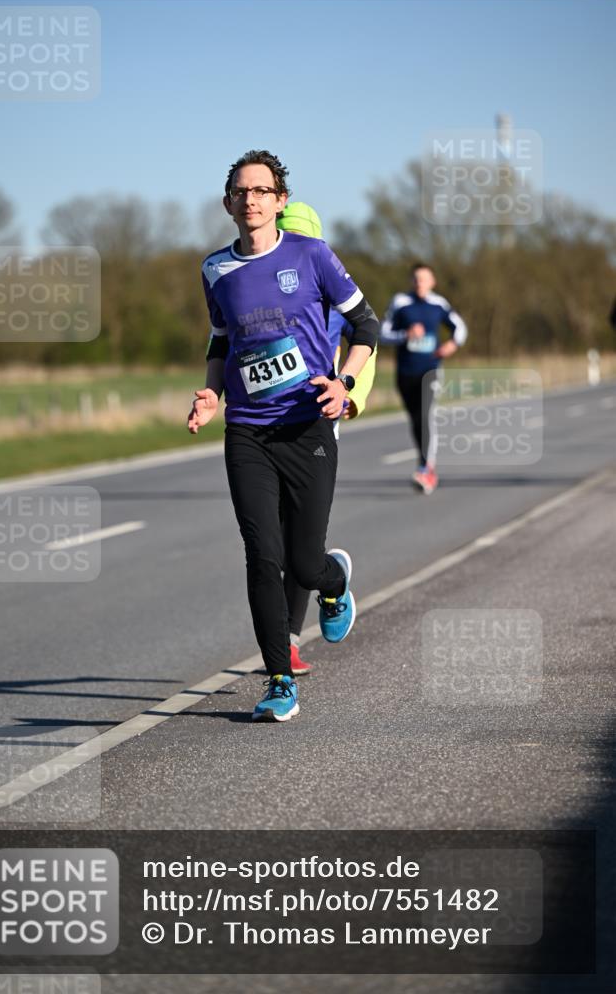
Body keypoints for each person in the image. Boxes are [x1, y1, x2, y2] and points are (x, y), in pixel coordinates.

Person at [188, 151, 379, 721]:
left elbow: (366, 324)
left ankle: (334, 577)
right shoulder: (214, 269)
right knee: (261, 554)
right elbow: (221, 343)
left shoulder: (312, 255)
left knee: (301, 563)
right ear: (228, 203)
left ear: (280, 201)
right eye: (241, 191)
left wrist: (344, 384)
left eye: (262, 190)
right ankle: (277, 679)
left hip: (308, 425)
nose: (251, 199)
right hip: (247, 431)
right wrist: (210, 394)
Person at [275, 201, 377, 676]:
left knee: (295, 536)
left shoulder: (330, 286)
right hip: (264, 427)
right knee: (270, 540)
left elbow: (367, 339)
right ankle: (286, 643)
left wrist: (350, 395)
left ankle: (304, 621)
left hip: (316, 424)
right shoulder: (258, 282)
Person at [380, 263, 467, 494]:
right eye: (416, 279)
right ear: (411, 281)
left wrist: (453, 344)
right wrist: (405, 334)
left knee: (426, 416)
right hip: (406, 371)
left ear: (432, 282)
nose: (420, 283)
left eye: (424, 279)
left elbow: (460, 327)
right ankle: (426, 465)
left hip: (430, 369)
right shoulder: (400, 302)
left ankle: (425, 468)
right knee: (416, 419)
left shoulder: (438, 303)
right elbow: (382, 333)